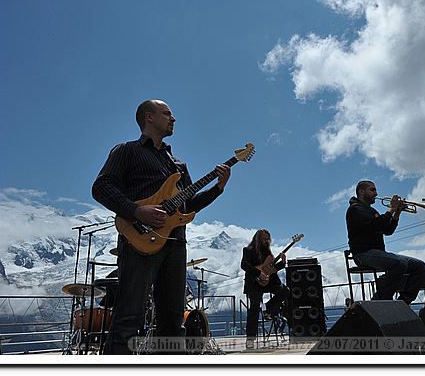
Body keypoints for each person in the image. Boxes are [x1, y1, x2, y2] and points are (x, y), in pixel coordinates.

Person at [92, 98, 230, 354]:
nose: (173, 118)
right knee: (129, 316)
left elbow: (187, 208)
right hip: (138, 240)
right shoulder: (126, 150)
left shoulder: (178, 164)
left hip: (176, 243)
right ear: (149, 117)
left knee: (173, 319)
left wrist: (218, 189)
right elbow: (101, 187)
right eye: (167, 113)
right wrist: (136, 211)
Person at [346, 180, 425, 305]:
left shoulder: (371, 211)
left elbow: (387, 230)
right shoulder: (355, 209)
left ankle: (403, 302)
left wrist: (397, 213)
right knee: (398, 264)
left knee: (419, 266)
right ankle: (379, 302)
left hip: (378, 253)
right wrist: (391, 209)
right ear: (361, 192)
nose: (376, 193)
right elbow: (377, 225)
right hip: (363, 254)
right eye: (372, 190)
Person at [240, 229, 290, 349]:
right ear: (257, 238)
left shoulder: (268, 252)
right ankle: (250, 340)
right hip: (254, 283)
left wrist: (282, 263)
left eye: (268, 239)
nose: (266, 241)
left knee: (285, 291)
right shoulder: (248, 250)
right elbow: (244, 265)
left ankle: (267, 309)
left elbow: (271, 270)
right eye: (264, 238)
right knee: (254, 309)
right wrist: (258, 273)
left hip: (268, 282)